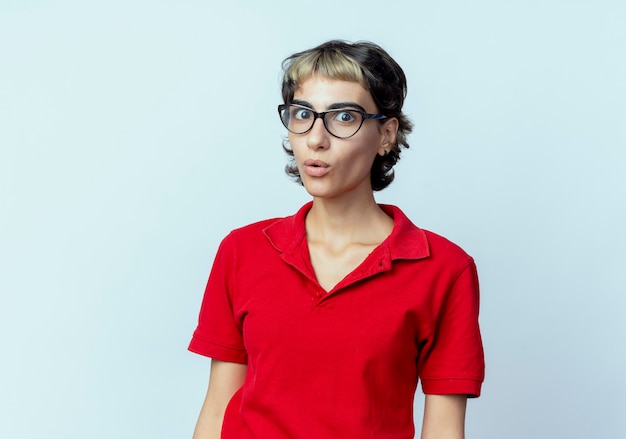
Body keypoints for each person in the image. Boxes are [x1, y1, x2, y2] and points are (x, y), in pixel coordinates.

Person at [189, 40, 484, 439]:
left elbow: (444, 431)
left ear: (386, 135)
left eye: (344, 116)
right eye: (303, 114)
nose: (315, 139)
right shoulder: (243, 250)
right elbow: (216, 411)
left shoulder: (444, 269)